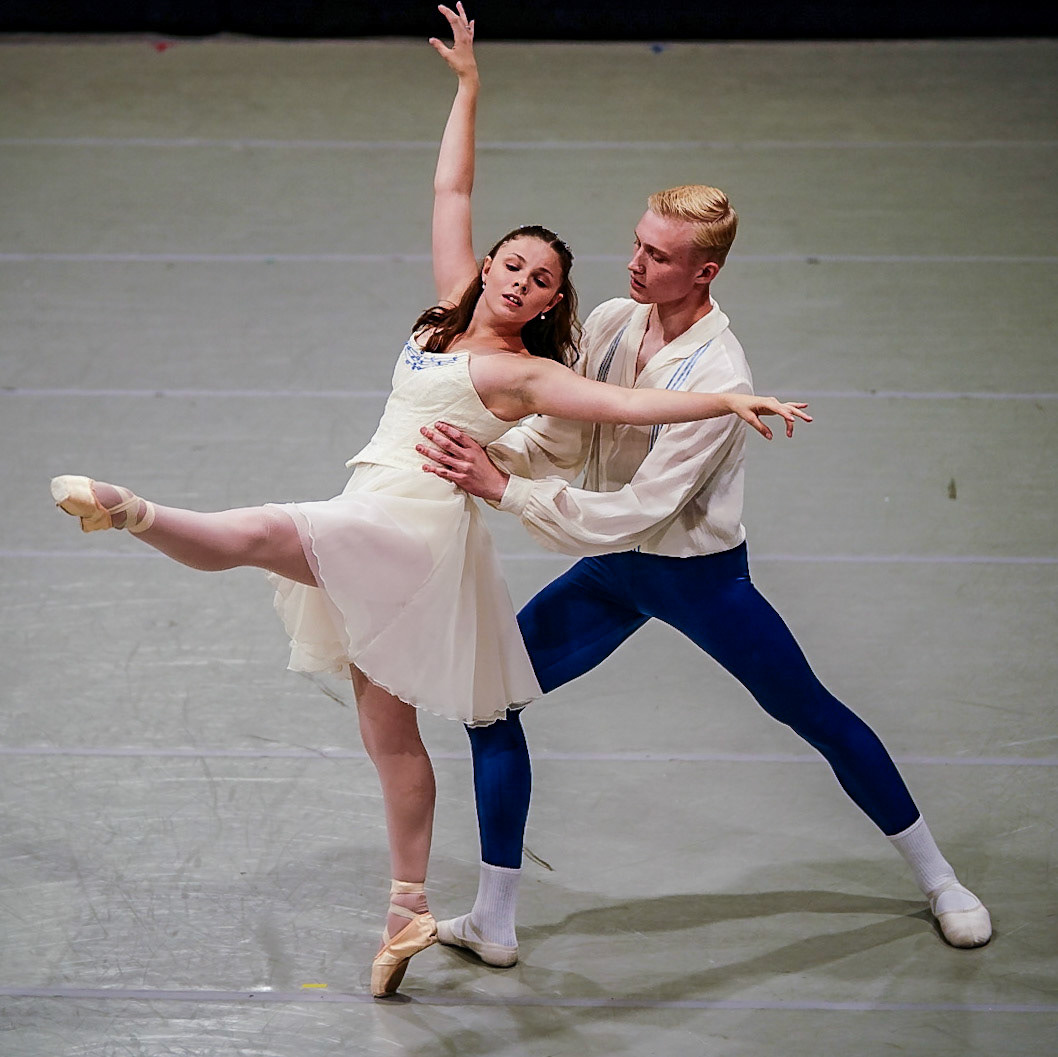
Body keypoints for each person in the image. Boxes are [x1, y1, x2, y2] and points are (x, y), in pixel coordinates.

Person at [49, 5, 809, 998]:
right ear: (488, 267)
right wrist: (468, 86)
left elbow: (629, 402)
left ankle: (132, 512)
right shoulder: (448, 308)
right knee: (389, 734)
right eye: (513, 263)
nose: (522, 280)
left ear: (551, 305)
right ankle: (407, 907)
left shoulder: (525, 372)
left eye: (543, 280)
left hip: (407, 530)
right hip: (376, 507)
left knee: (269, 531)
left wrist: (727, 396)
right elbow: (451, 187)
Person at [418, 198, 992, 963]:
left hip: (696, 578)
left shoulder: (722, 376)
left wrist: (506, 491)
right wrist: (492, 456)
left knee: (811, 711)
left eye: (658, 256)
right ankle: (494, 920)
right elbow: (561, 434)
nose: (635, 263)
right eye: (637, 244)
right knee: (487, 701)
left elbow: (640, 510)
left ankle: (940, 878)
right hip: (612, 573)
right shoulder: (613, 321)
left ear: (704, 272)